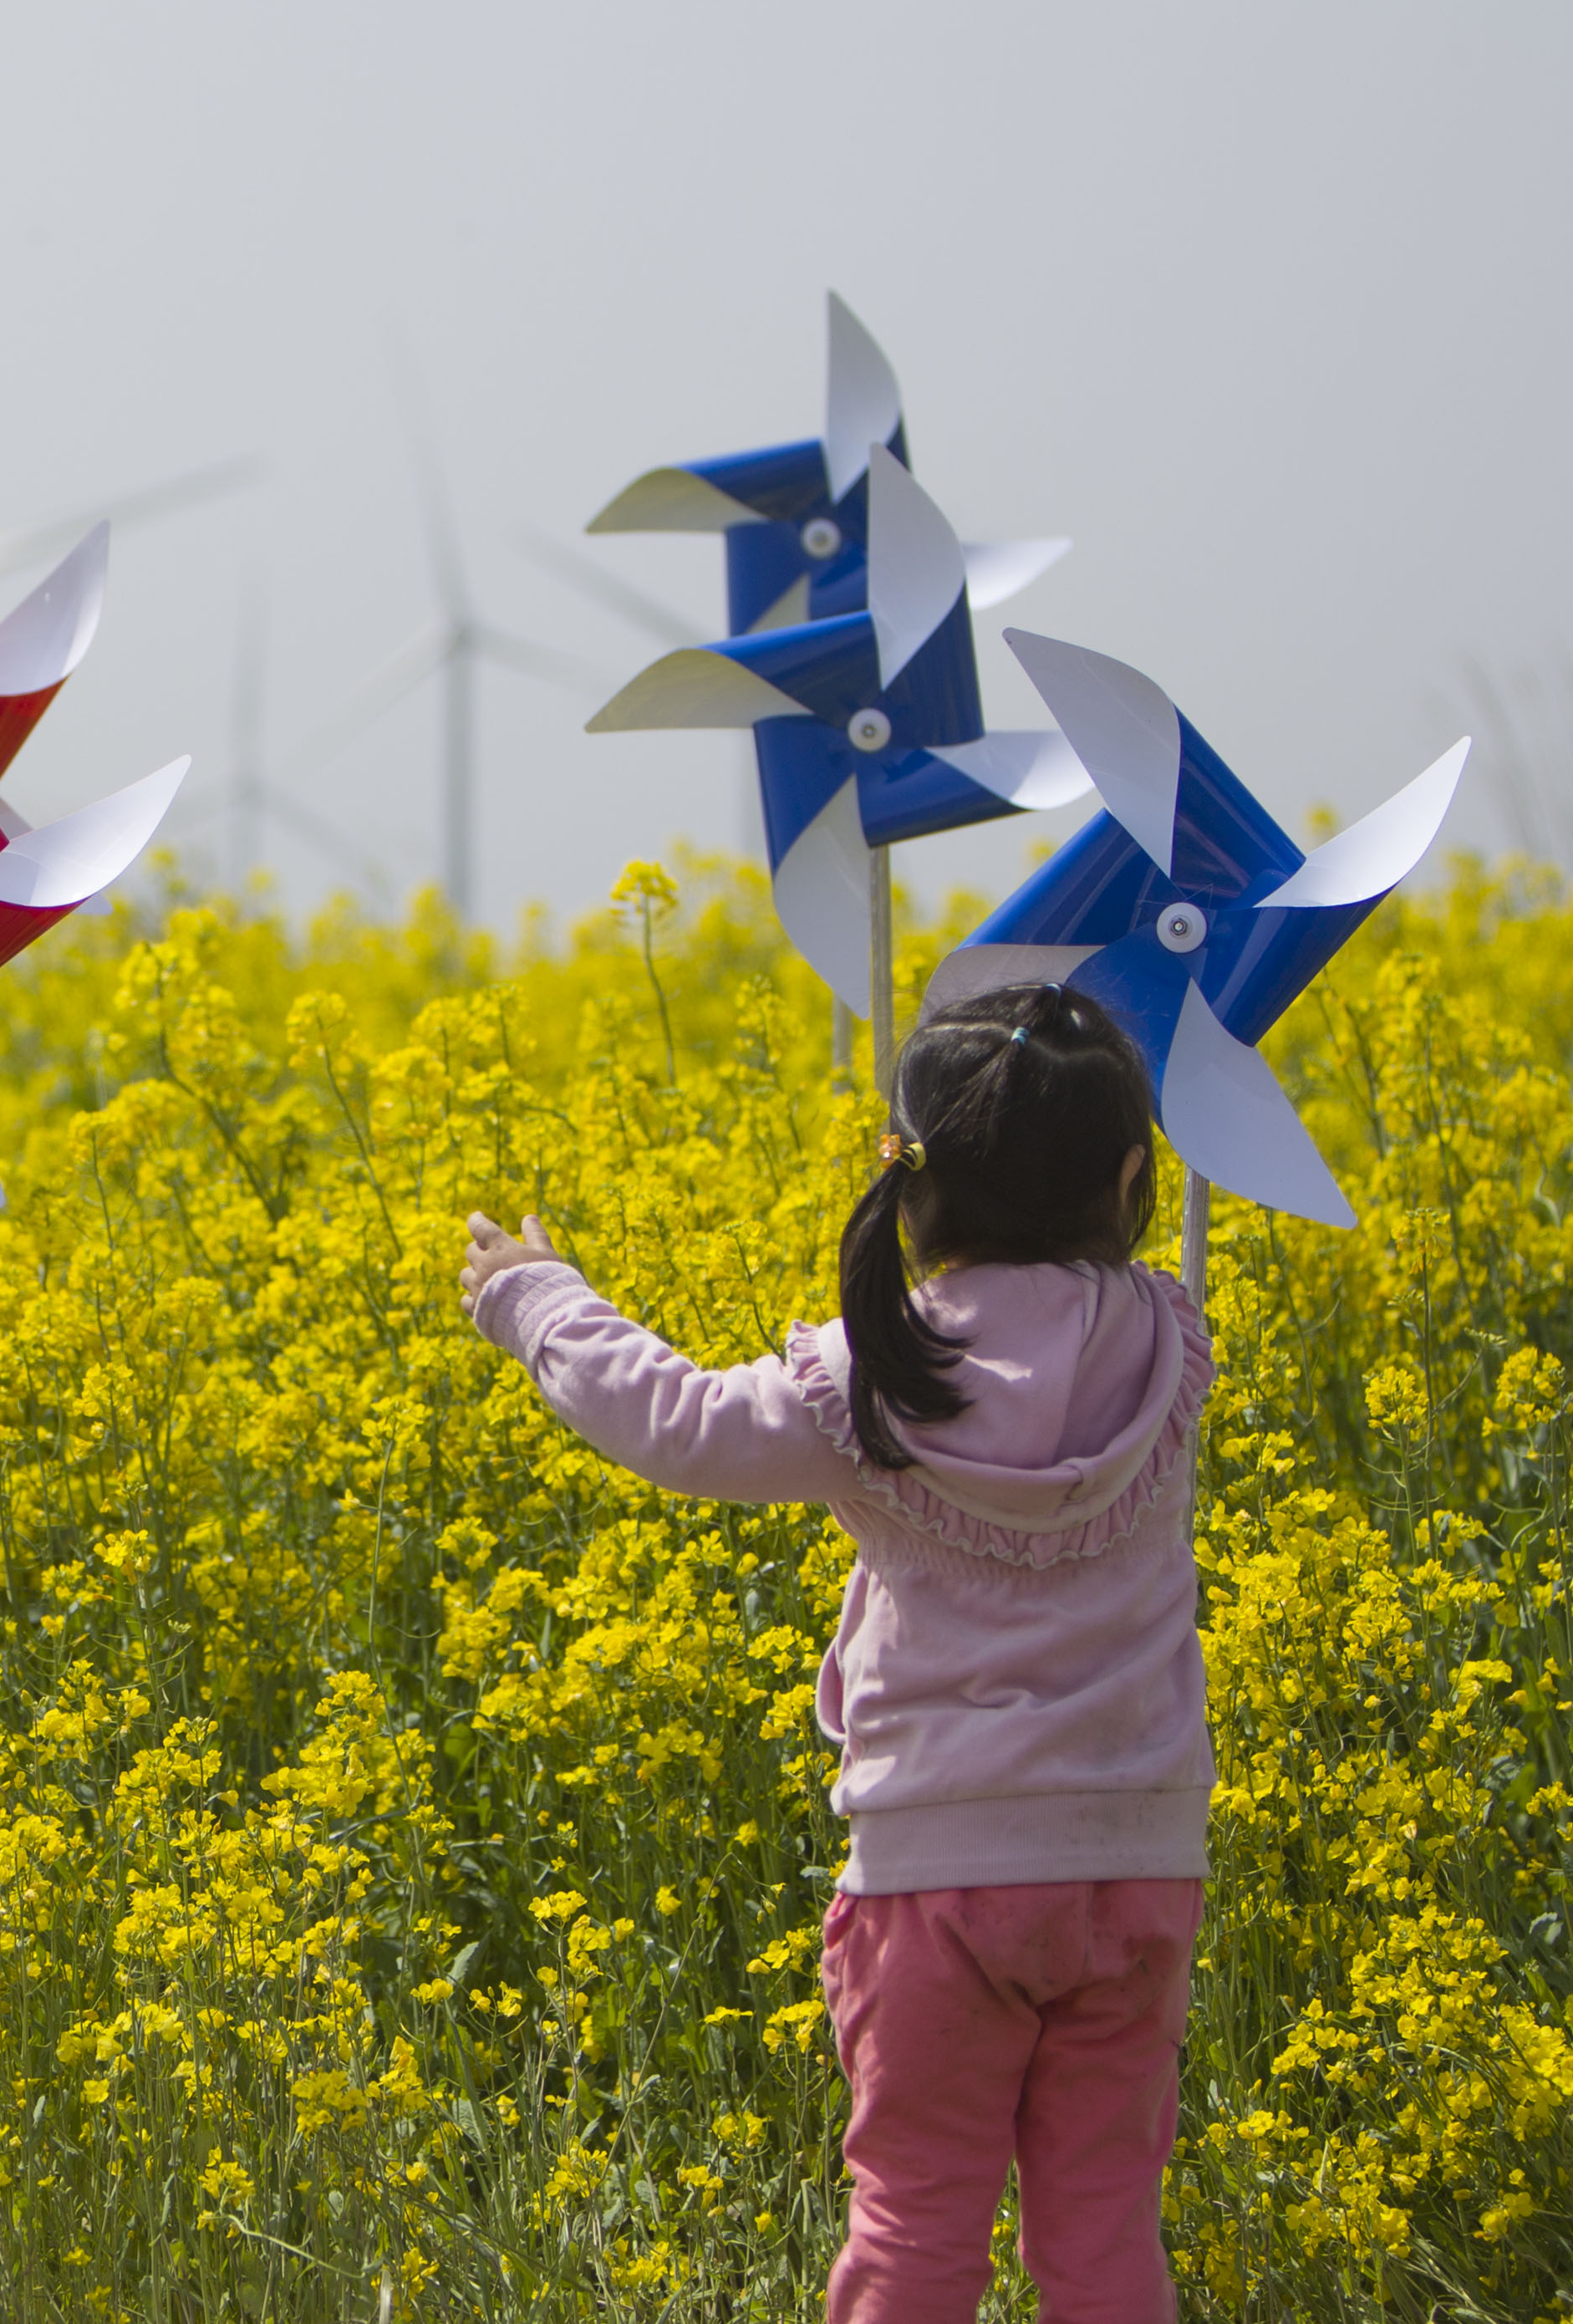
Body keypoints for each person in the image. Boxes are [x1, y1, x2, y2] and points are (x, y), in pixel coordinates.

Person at [458, 979, 1209, 2324]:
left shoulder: (880, 1372)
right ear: (1128, 1179)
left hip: (941, 1875)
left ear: (912, 1187)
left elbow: (679, 1421)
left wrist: (538, 1300)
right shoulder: (1168, 1341)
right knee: (1105, 2225)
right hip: (1139, 1861)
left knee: (915, 2220)